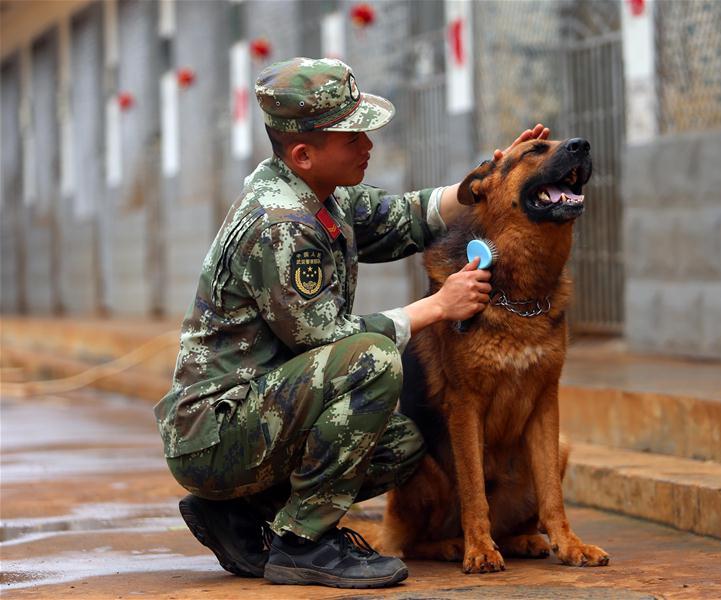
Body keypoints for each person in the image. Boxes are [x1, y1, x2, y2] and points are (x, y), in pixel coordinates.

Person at [153, 57, 549, 589]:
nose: (367, 145)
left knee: (403, 443)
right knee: (373, 361)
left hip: (259, 414)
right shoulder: (281, 224)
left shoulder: (317, 192)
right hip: (218, 432)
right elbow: (329, 339)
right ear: (304, 154)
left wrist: (487, 180)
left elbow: (402, 216)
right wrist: (438, 305)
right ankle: (304, 543)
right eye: (352, 136)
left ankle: (240, 515)